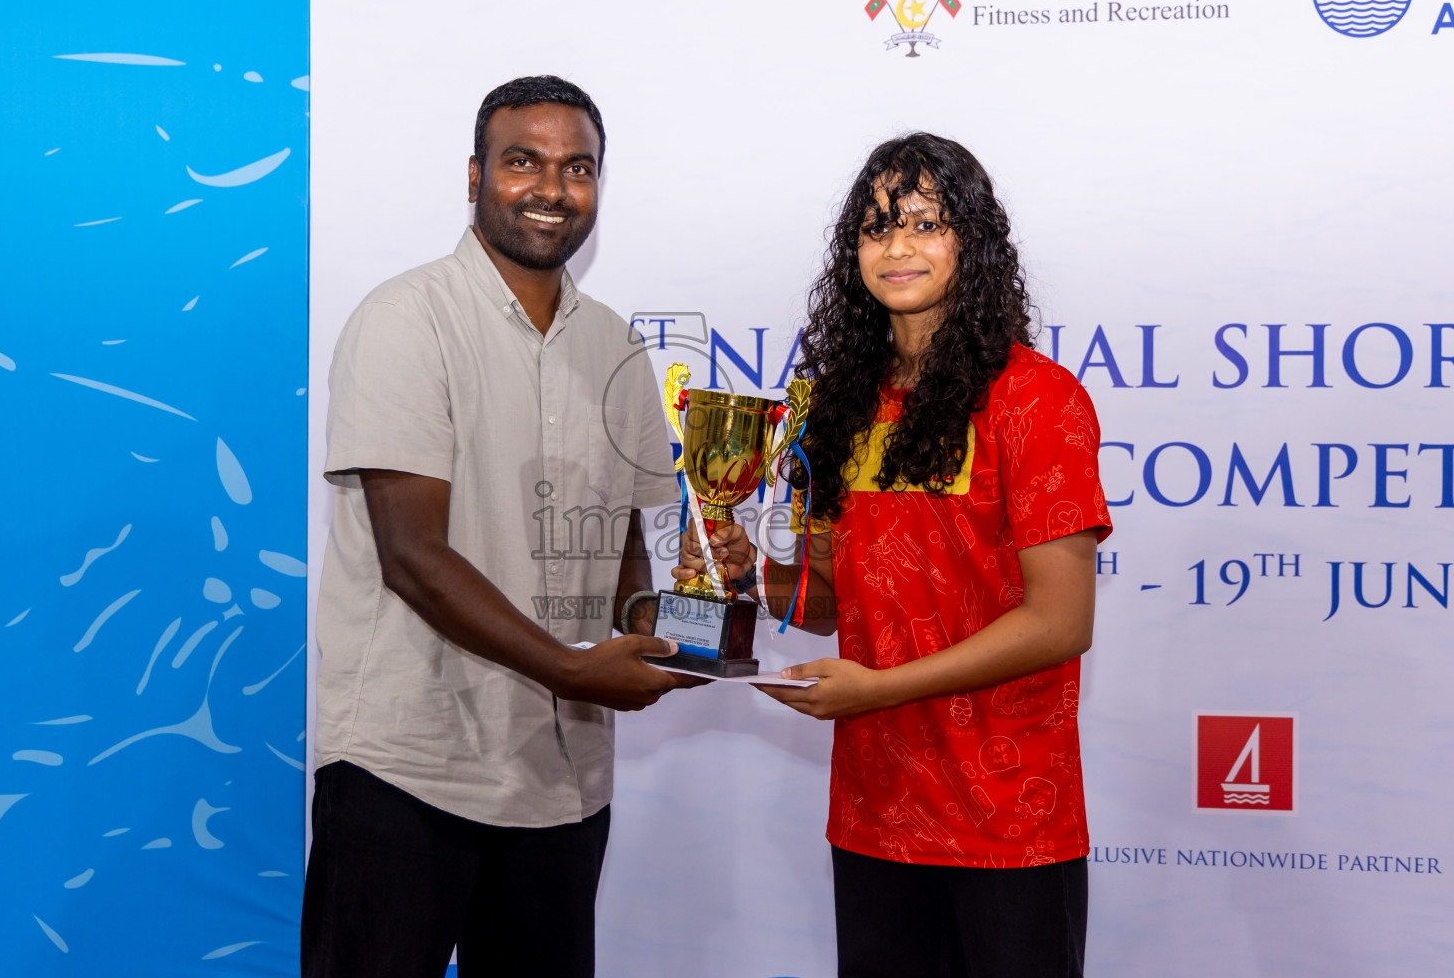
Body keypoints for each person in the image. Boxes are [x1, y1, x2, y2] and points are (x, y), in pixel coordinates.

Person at [676, 133, 1112, 978]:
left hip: (1008, 813)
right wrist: (748, 570)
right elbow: (827, 602)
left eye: (924, 223)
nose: (899, 247)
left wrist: (878, 688)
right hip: (877, 808)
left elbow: (1061, 622)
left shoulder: (1034, 397)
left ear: (972, 242)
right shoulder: (848, 403)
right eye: (877, 229)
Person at [303, 75, 700, 978]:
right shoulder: (407, 320)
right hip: (408, 768)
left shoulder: (619, 349)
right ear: (476, 173)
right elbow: (412, 555)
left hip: (561, 784)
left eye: (578, 167)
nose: (551, 189)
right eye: (523, 161)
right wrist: (570, 668)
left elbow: (624, 547)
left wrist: (666, 631)